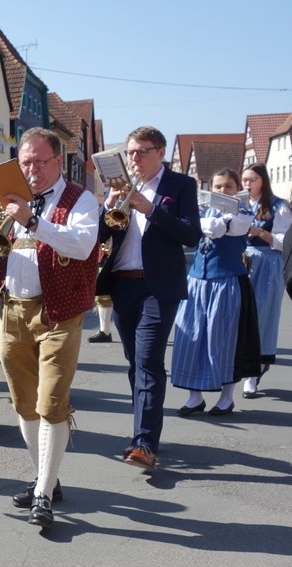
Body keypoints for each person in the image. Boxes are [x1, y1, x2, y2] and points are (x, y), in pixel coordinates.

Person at [0, 127, 99, 528]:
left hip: (59, 312)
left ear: (58, 162)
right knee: (24, 403)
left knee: (51, 402)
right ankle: (48, 476)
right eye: (25, 162)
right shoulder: (8, 199)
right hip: (12, 310)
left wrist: (30, 219)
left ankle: (42, 492)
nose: (31, 170)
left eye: (39, 162)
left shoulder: (80, 199)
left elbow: (81, 245)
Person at [96, 126, 200, 472]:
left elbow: (190, 234)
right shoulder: (122, 187)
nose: (134, 158)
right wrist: (108, 207)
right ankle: (143, 431)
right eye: (130, 152)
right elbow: (100, 234)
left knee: (149, 360)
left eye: (141, 151)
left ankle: (144, 443)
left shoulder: (181, 186)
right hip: (123, 283)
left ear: (160, 152)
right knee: (135, 362)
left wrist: (152, 209)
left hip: (159, 286)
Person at [172, 168, 259, 417]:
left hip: (227, 282)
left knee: (224, 341)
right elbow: (192, 232)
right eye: (218, 187)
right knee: (190, 337)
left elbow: (220, 229)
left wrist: (208, 221)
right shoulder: (200, 210)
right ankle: (194, 397)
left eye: (228, 187)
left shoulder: (244, 213)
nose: (223, 191)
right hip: (198, 282)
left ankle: (226, 398)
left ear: (236, 189)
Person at [240, 163, 290, 398]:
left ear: (263, 181)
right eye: (244, 180)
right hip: (240, 261)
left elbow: (283, 242)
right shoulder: (239, 203)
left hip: (267, 263)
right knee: (238, 315)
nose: (247, 184)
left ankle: (255, 371)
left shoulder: (278, 206)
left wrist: (259, 232)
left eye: (252, 180)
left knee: (261, 316)